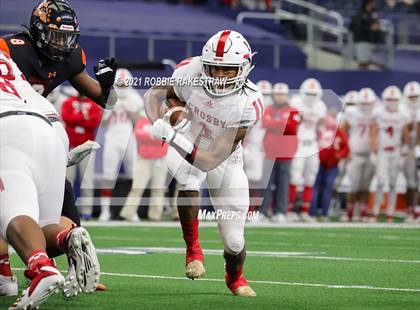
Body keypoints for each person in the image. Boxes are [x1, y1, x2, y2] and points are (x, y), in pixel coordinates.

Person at [0, 0, 116, 297]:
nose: (61, 44)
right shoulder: (14, 49)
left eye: (67, 37)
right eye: (56, 36)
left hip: (20, 127)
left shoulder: (66, 57)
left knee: (13, 204)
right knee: (53, 207)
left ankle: (13, 271)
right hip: (46, 128)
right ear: (38, 30)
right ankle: (67, 247)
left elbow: (103, 99)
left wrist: (108, 86)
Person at [145, 30, 263, 297]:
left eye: (228, 71)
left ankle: (235, 277)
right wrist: (168, 114)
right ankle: (193, 249)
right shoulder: (190, 71)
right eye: (214, 68)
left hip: (224, 159)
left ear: (243, 68)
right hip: (189, 135)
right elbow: (154, 95)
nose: (219, 76)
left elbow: (209, 160)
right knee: (188, 179)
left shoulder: (250, 103)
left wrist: (170, 134)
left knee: (235, 242)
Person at [0, 50, 99, 309]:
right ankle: (68, 236)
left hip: (6, 130)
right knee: (44, 224)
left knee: (11, 215)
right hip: (48, 128)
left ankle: (39, 268)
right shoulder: (6, 58)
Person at [100, 68, 143, 221]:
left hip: (130, 139)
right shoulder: (110, 96)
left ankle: (132, 211)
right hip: (112, 138)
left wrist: (129, 111)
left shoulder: (135, 98)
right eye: (121, 84)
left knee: (134, 175)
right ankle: (104, 211)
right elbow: (103, 123)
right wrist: (111, 110)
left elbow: (139, 122)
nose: (123, 87)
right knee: (108, 176)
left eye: (125, 84)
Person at [259, 82, 300, 223]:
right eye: (277, 94)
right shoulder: (268, 109)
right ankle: (262, 212)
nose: (280, 97)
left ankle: (280, 212)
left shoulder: (293, 111)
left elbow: (290, 128)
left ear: (287, 95)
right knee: (265, 184)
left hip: (286, 152)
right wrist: (281, 123)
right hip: (270, 152)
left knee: (283, 184)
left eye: (282, 94)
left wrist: (275, 124)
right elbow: (265, 123)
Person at [288, 78, 327, 222]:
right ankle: (289, 210)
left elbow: (321, 125)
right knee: (294, 177)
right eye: (308, 94)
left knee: (310, 178)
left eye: (313, 94)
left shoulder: (321, 106)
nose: (311, 97)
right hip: (298, 144)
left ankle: (305, 211)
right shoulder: (296, 102)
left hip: (312, 144)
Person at [371, 86, 410, 223]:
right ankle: (375, 212)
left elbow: (405, 137)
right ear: (384, 99)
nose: (392, 102)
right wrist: (373, 152)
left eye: (395, 99)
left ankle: (390, 213)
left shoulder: (403, 115)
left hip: (396, 152)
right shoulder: (379, 113)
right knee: (381, 182)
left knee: (393, 183)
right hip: (383, 152)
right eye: (389, 99)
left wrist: (404, 154)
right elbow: (374, 133)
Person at [119, 113, 168, 222]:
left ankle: (155, 216)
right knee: (137, 186)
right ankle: (128, 213)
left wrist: (150, 135)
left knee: (158, 188)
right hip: (145, 158)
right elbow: (138, 134)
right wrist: (153, 136)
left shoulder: (164, 120)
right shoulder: (143, 119)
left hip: (161, 158)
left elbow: (165, 137)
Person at [61, 93, 103, 220]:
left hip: (87, 147)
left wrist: (77, 118)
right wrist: (84, 117)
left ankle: (87, 211)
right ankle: (67, 211)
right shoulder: (68, 102)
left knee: (87, 180)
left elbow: (94, 122)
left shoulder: (93, 104)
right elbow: (67, 118)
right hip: (71, 146)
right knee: (68, 180)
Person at [340, 88, 377, 222]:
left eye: (369, 103)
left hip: (370, 154)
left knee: (365, 186)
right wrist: (345, 150)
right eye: (364, 103)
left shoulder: (376, 114)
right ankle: (349, 212)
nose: (366, 106)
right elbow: (341, 132)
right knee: (353, 185)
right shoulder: (352, 113)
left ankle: (362, 213)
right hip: (354, 154)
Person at [310, 114, 349, 221]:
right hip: (320, 163)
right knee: (316, 188)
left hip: (331, 165)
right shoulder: (320, 130)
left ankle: (324, 213)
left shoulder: (338, 132)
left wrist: (339, 155)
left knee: (326, 188)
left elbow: (346, 148)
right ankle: (313, 213)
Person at [401, 81, 420, 222]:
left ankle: (417, 208)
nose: (413, 98)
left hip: (417, 146)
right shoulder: (402, 108)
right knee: (411, 182)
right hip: (407, 148)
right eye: (411, 96)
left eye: (416, 96)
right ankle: (410, 209)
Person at [349, 0, 382, 69]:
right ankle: (360, 78)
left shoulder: (373, 15)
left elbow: (377, 24)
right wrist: (370, 28)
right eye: (371, 4)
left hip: (371, 41)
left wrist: (377, 27)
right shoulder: (359, 15)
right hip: (362, 42)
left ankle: (365, 78)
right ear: (367, 4)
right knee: (363, 63)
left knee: (370, 63)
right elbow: (355, 28)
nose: (373, 5)